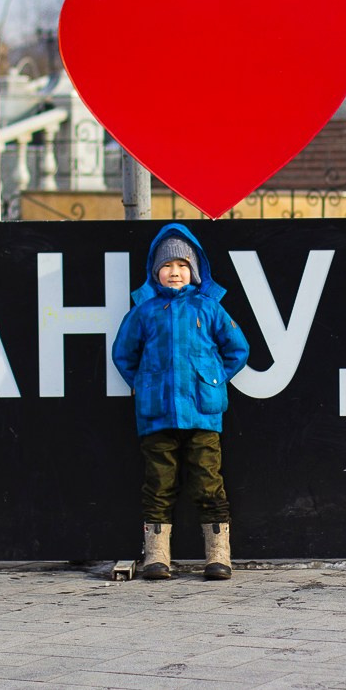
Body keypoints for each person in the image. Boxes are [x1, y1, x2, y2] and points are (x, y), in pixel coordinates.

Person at [112, 223, 250, 581]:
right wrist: (140, 384)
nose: (175, 272)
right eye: (168, 265)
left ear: (195, 270)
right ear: (155, 271)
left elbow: (238, 349)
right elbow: (123, 354)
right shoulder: (144, 311)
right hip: (157, 415)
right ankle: (156, 557)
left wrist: (213, 380)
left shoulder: (209, 308)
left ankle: (218, 556)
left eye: (183, 265)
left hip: (203, 415)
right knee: (159, 483)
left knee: (208, 482)